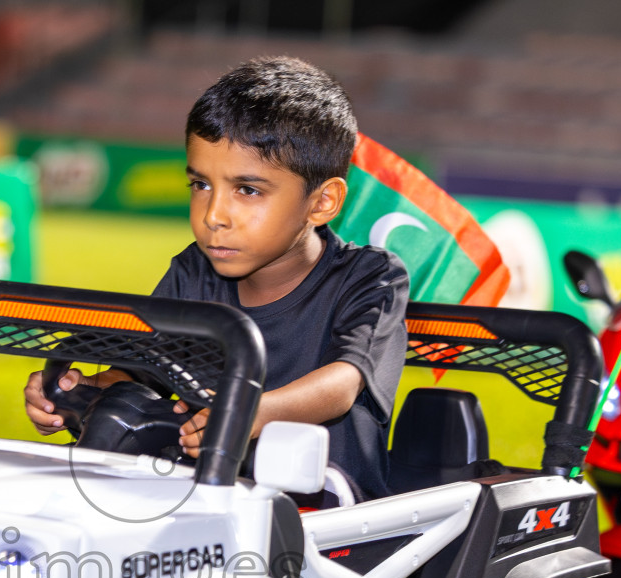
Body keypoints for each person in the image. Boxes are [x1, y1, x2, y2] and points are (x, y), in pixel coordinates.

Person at [22, 56, 410, 503]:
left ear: (322, 202)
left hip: (324, 516)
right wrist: (82, 394)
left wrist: (246, 414)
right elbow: (142, 373)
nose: (213, 215)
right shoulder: (193, 271)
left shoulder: (370, 277)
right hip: (204, 503)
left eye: (247, 190)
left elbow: (343, 383)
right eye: (201, 185)